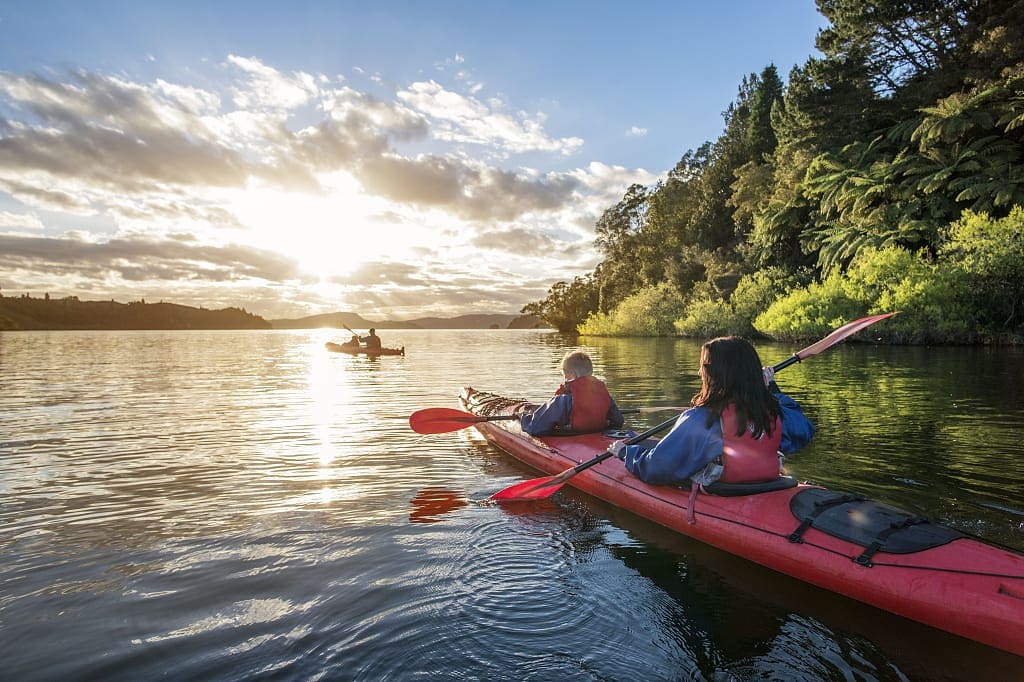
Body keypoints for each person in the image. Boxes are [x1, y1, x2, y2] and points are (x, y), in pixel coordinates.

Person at [610, 336, 814, 487]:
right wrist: (771, 389)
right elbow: (803, 430)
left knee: (641, 447)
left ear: (716, 375)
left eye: (704, 367)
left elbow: (656, 469)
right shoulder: (771, 411)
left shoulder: (701, 419)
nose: (700, 372)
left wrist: (626, 453)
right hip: (768, 485)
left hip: (725, 491)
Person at [520, 350, 625, 436]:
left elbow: (535, 428)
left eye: (565, 375)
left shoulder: (562, 400)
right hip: (598, 440)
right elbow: (618, 421)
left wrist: (523, 416)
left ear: (570, 374)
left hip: (571, 437)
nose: (565, 379)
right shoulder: (604, 395)